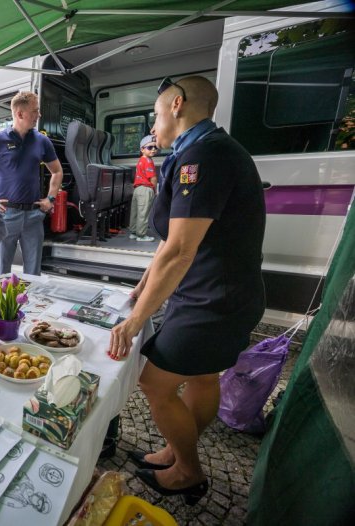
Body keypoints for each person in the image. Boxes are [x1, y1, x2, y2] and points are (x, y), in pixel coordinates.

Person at [108, 76, 266, 504]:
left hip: (212, 300)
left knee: (155, 385)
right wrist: (144, 284)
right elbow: (172, 239)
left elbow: (179, 250)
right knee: (201, 376)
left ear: (177, 105)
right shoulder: (205, 150)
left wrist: (134, 321)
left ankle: (189, 473)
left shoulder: (203, 157)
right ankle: (179, 451)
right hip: (222, 293)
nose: (154, 125)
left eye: (156, 114)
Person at [0, 91, 63, 276]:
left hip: (33, 215)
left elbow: (57, 171)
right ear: (20, 114)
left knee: (33, 272)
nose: (39, 115)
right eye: (35, 111)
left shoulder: (42, 141)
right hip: (7, 214)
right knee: (2, 272)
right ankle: (2, 305)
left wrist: (51, 198)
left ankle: (28, 303)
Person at [129, 135, 158, 242]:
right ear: (142, 149)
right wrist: (155, 190)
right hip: (146, 189)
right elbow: (153, 178)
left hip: (137, 189)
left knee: (135, 212)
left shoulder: (141, 159)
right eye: (150, 147)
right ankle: (141, 235)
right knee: (143, 213)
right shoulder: (148, 161)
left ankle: (133, 232)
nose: (153, 149)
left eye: (155, 147)